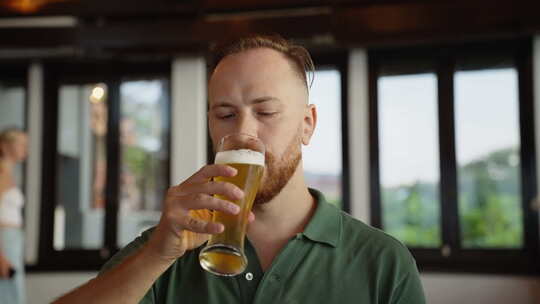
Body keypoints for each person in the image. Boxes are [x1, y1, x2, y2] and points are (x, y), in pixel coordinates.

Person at [54, 34, 426, 304]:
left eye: (266, 112)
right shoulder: (165, 247)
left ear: (307, 124)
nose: (244, 132)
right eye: (226, 114)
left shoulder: (381, 262)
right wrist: (156, 256)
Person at [0, 127, 28, 304]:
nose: (26, 149)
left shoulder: (9, 172)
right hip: (4, 241)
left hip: (13, 241)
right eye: (21, 144)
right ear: (4, 145)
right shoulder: (1, 173)